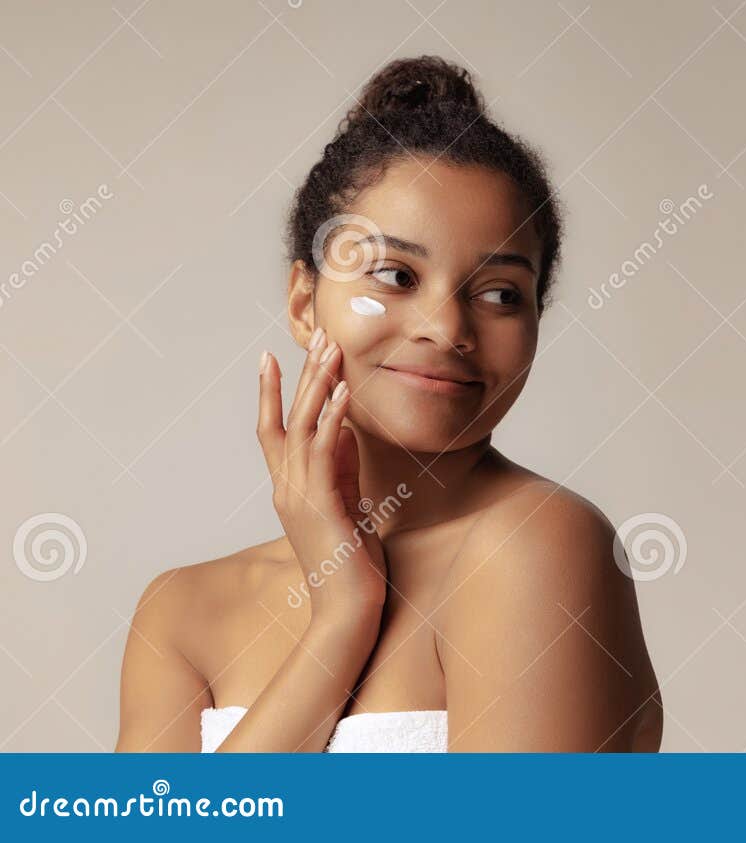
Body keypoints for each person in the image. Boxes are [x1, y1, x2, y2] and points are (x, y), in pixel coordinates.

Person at [113, 56, 662, 752]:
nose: (448, 329)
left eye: (499, 293)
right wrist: (339, 617)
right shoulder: (182, 612)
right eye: (396, 275)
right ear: (305, 303)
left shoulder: (539, 546)